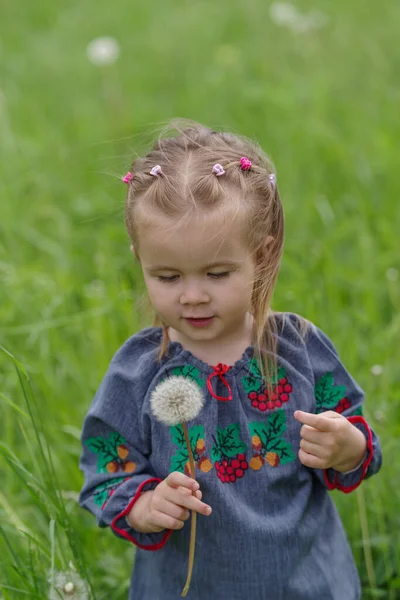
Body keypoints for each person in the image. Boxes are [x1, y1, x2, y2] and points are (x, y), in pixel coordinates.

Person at [79, 120, 382, 600]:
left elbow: (356, 440)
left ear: (260, 257)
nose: (193, 296)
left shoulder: (298, 349)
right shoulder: (138, 371)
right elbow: (105, 472)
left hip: (306, 582)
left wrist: (347, 448)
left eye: (217, 273)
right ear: (140, 260)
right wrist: (146, 504)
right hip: (190, 586)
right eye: (168, 276)